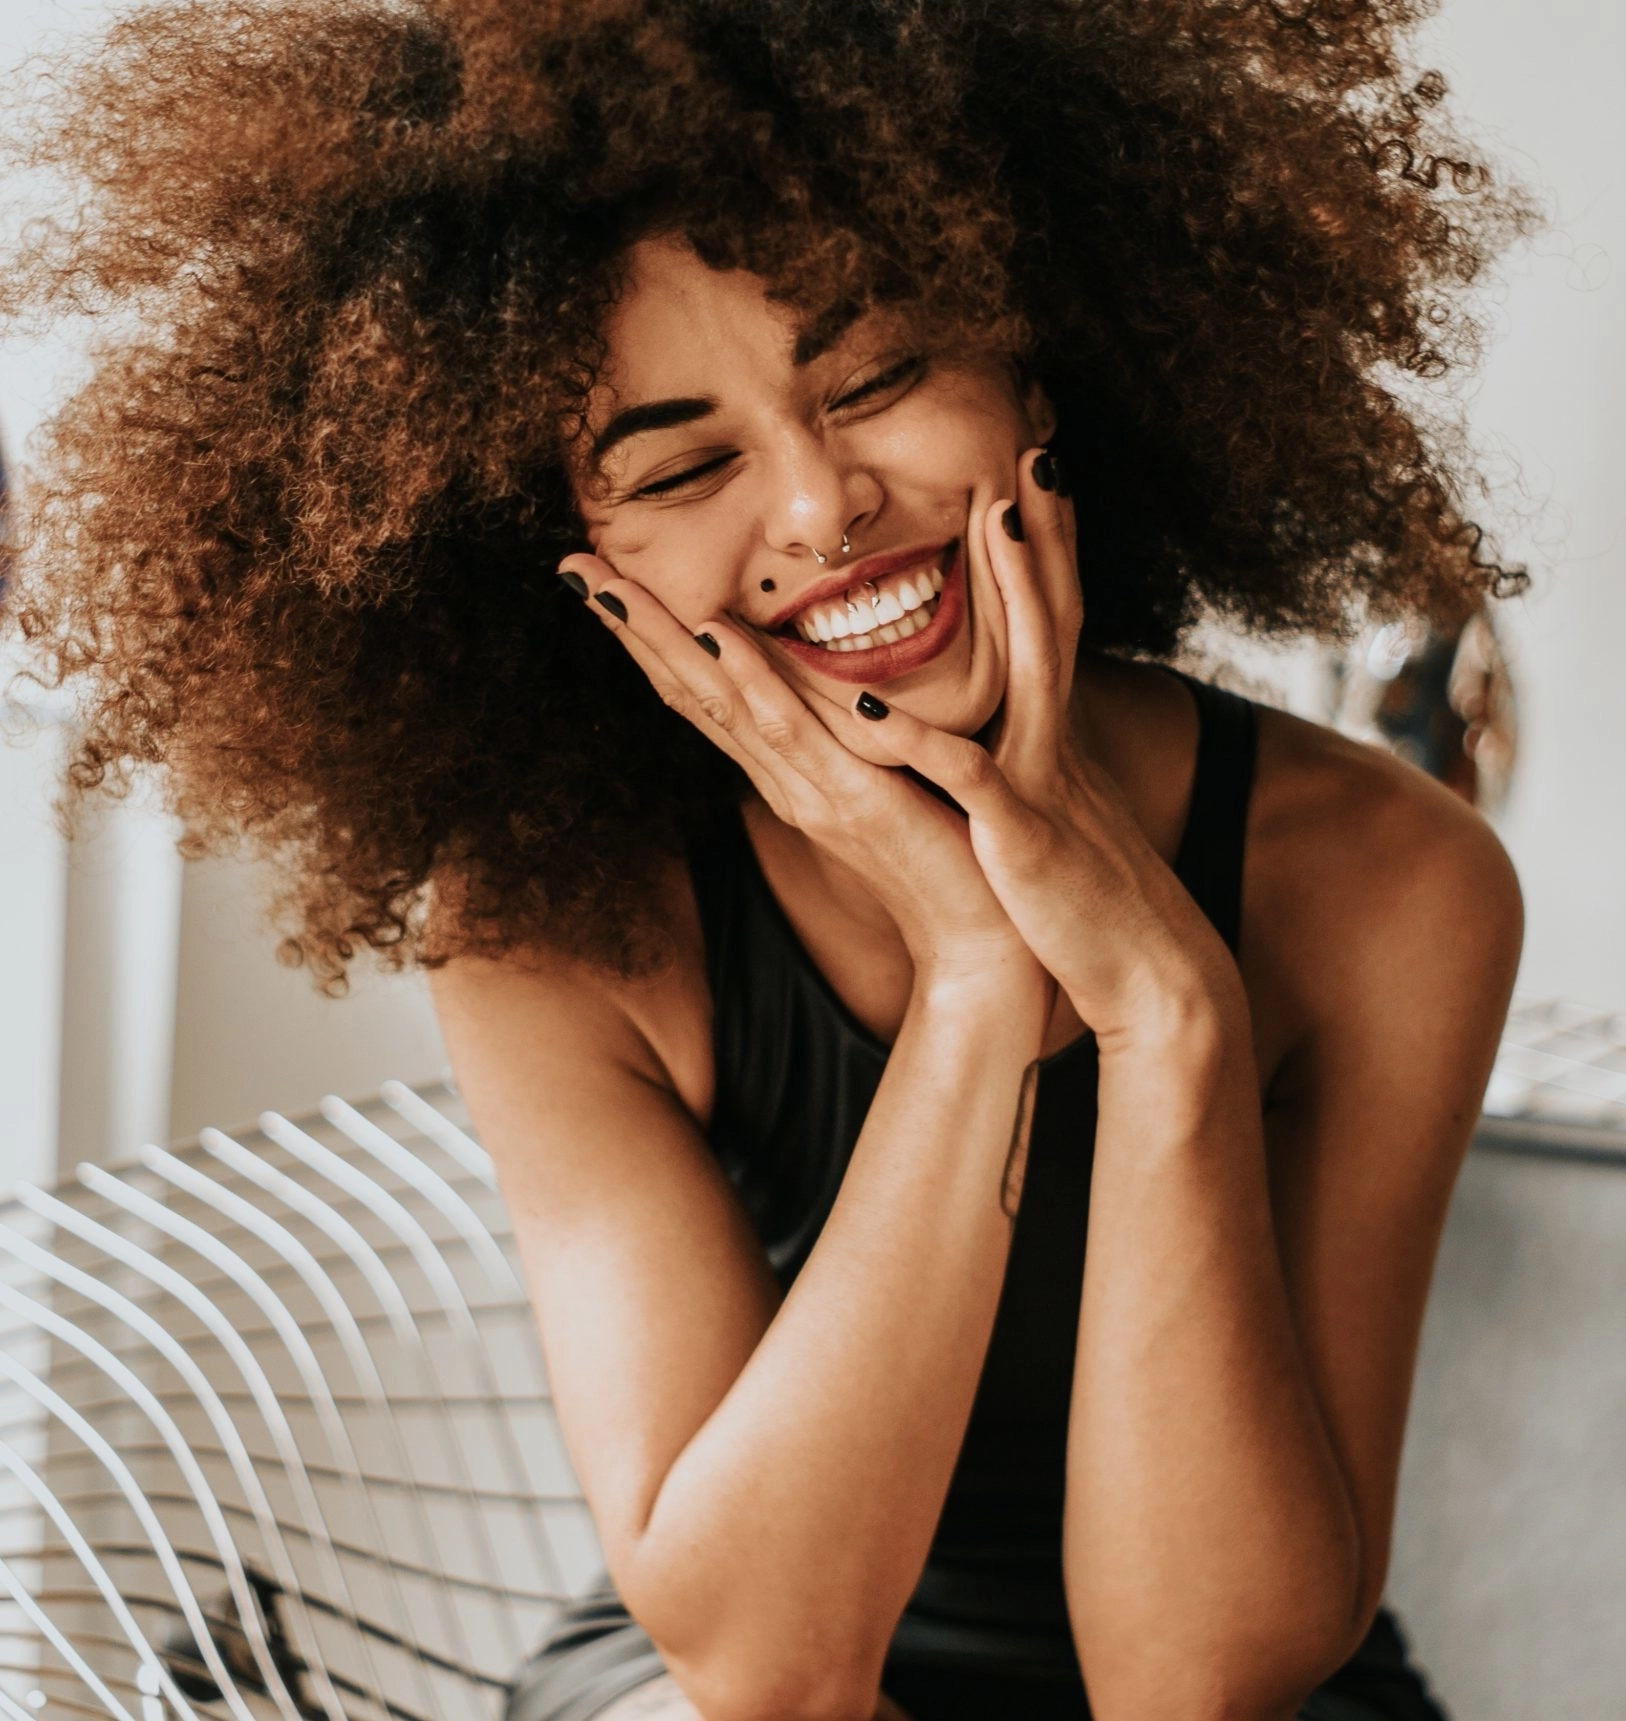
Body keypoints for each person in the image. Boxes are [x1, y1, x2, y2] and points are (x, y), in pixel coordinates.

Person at [1, 1, 1530, 1716]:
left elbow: (1200, 1682)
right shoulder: (552, 933)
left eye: (875, 380)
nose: (820, 509)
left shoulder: (1387, 878)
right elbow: (771, 1672)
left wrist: (1168, 1010)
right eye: (684, 463)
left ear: (1030, 365)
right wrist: (975, 980)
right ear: (574, 565)